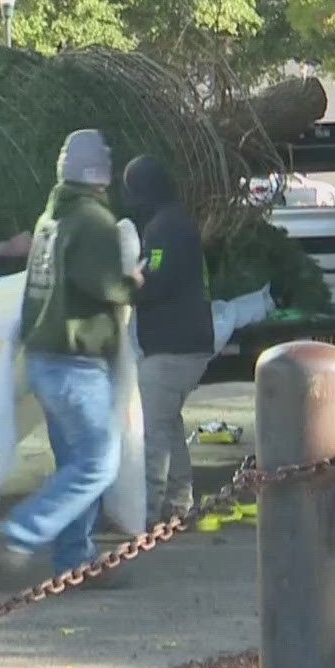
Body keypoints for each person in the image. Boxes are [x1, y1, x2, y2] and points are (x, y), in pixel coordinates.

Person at [0, 130, 139, 574]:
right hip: (76, 361)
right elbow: (104, 284)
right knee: (99, 464)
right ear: (101, 172)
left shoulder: (52, 217)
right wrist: (133, 282)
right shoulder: (94, 222)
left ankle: (74, 560)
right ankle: (21, 532)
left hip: (45, 358)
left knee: (74, 463)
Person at [119, 154, 216, 526]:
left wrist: (124, 283)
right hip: (186, 342)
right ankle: (178, 501)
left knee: (154, 430)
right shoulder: (173, 222)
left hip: (174, 348)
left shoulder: (164, 229)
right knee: (168, 423)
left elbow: (156, 282)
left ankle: (145, 512)